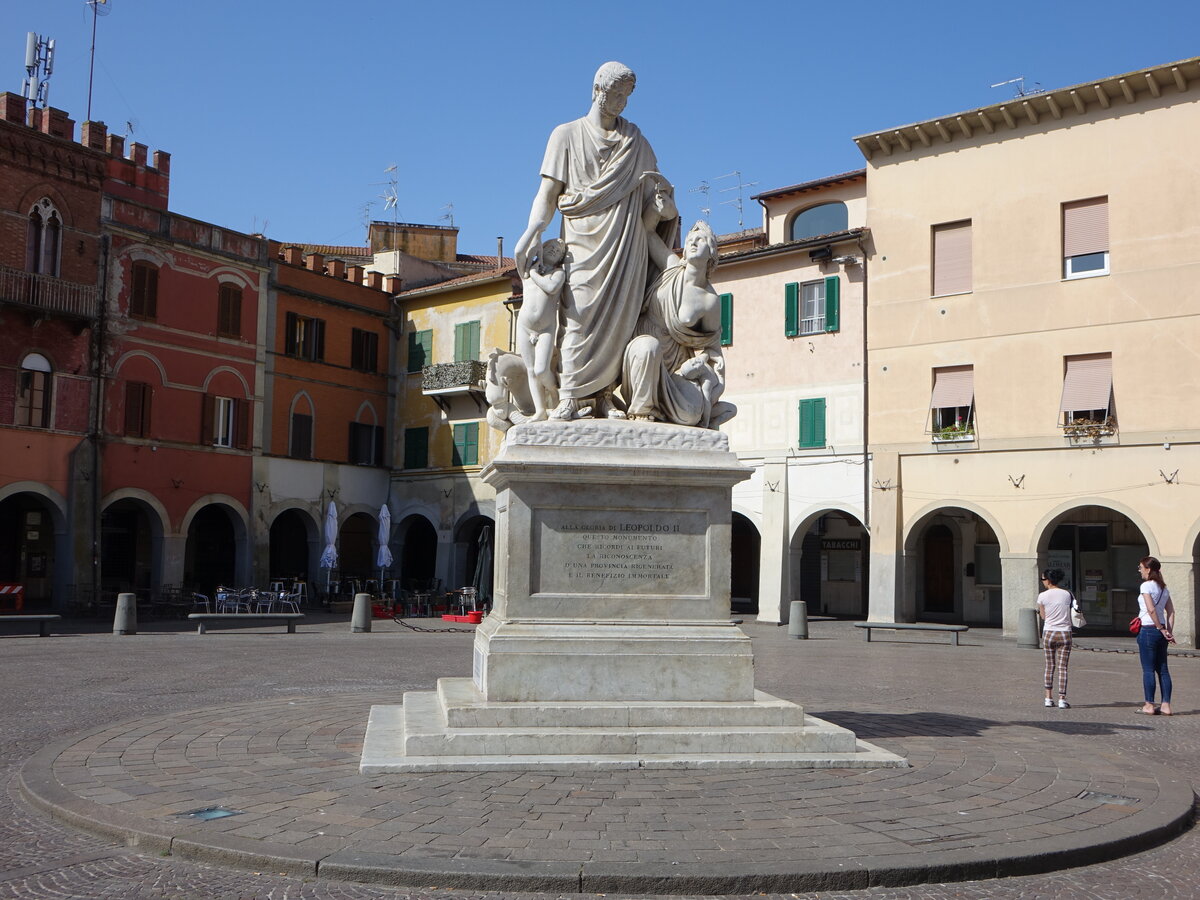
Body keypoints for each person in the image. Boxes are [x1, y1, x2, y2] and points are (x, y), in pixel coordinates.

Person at [513, 61, 670, 421]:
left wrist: (662, 208)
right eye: (615, 94)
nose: (620, 103)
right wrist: (532, 230)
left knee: (621, 320)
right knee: (578, 317)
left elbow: (653, 195)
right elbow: (548, 192)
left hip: (624, 245)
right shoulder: (565, 135)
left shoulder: (636, 142)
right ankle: (570, 396)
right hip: (581, 243)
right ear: (597, 90)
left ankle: (602, 397)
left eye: (626, 96)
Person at [621, 220, 736, 427]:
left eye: (700, 240)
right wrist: (658, 209)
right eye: (690, 240)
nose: (693, 243)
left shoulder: (710, 301)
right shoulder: (671, 267)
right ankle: (641, 414)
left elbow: (713, 349)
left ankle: (699, 407)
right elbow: (647, 232)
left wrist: (700, 366)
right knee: (649, 347)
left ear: (711, 251)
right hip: (642, 352)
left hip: (676, 366)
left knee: (690, 415)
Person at [516, 238, 566, 420]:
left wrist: (535, 274)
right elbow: (518, 252)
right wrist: (536, 231)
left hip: (546, 328)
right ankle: (540, 410)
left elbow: (551, 288)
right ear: (542, 249)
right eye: (552, 247)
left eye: (559, 251)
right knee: (530, 370)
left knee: (541, 370)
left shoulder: (558, 273)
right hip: (524, 326)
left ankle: (554, 392)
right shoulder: (525, 272)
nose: (555, 251)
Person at [1136, 556, 1175, 716]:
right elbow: (1171, 611)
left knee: (1148, 669)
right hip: (1162, 632)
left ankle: (1149, 705)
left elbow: (1151, 609)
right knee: (1163, 669)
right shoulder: (1164, 588)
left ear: (1148, 569)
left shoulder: (1146, 586)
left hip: (1148, 630)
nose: (1139, 571)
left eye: (1140, 567)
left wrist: (1159, 627)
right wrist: (1168, 631)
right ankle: (1166, 705)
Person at [1036, 568, 1073, 709]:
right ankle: (1062, 699)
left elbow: (1043, 616)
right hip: (1065, 632)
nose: (1043, 582)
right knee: (1063, 668)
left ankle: (1048, 697)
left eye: (1043, 579)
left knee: (1049, 666)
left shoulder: (1042, 596)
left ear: (1049, 580)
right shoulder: (1067, 594)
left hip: (1049, 632)